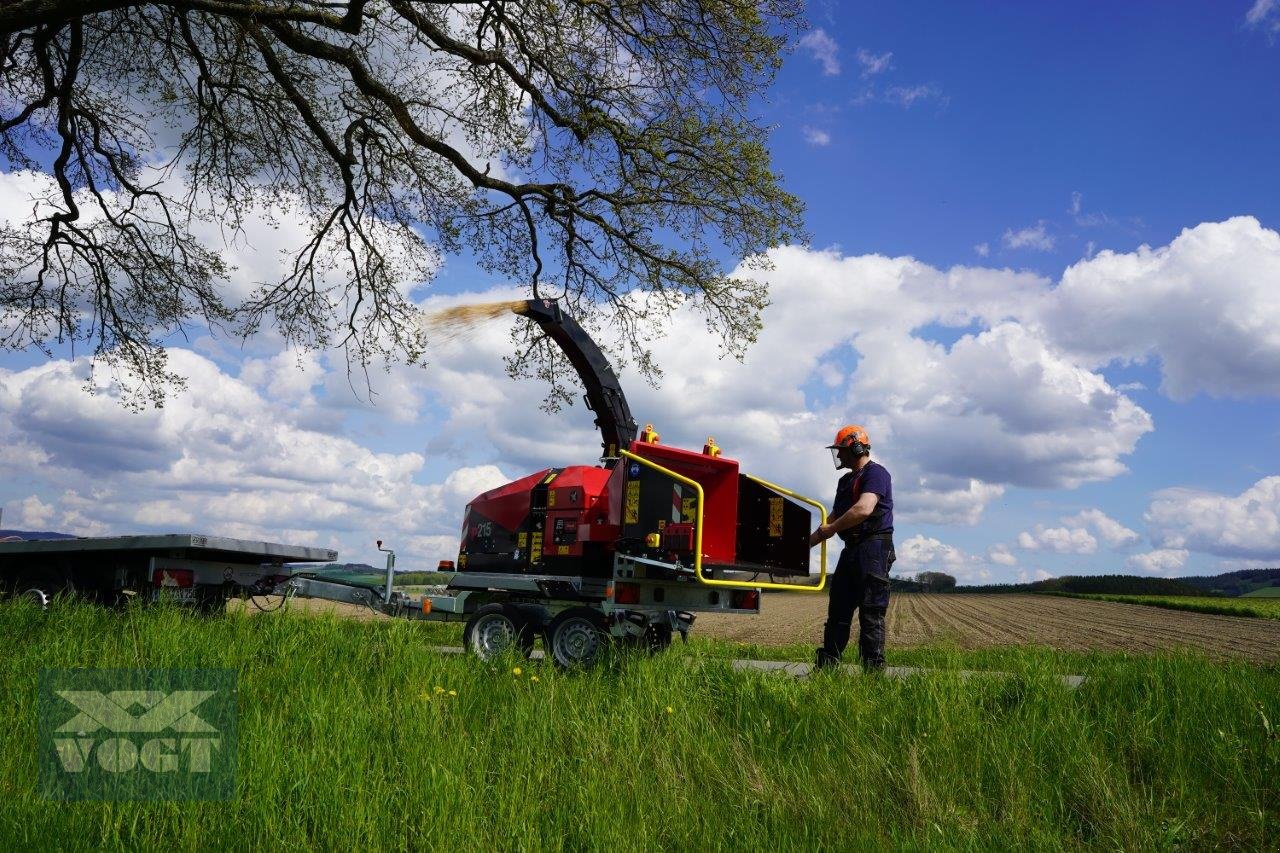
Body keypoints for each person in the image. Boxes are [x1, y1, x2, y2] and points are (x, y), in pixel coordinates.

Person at [808, 425, 895, 671]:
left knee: (871, 613)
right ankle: (826, 670)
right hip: (852, 548)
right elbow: (835, 515)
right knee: (838, 612)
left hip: (874, 547)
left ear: (856, 448)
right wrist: (807, 544)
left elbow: (864, 508)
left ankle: (873, 675)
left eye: (842, 450)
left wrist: (832, 529)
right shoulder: (845, 481)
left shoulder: (876, 474)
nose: (839, 456)